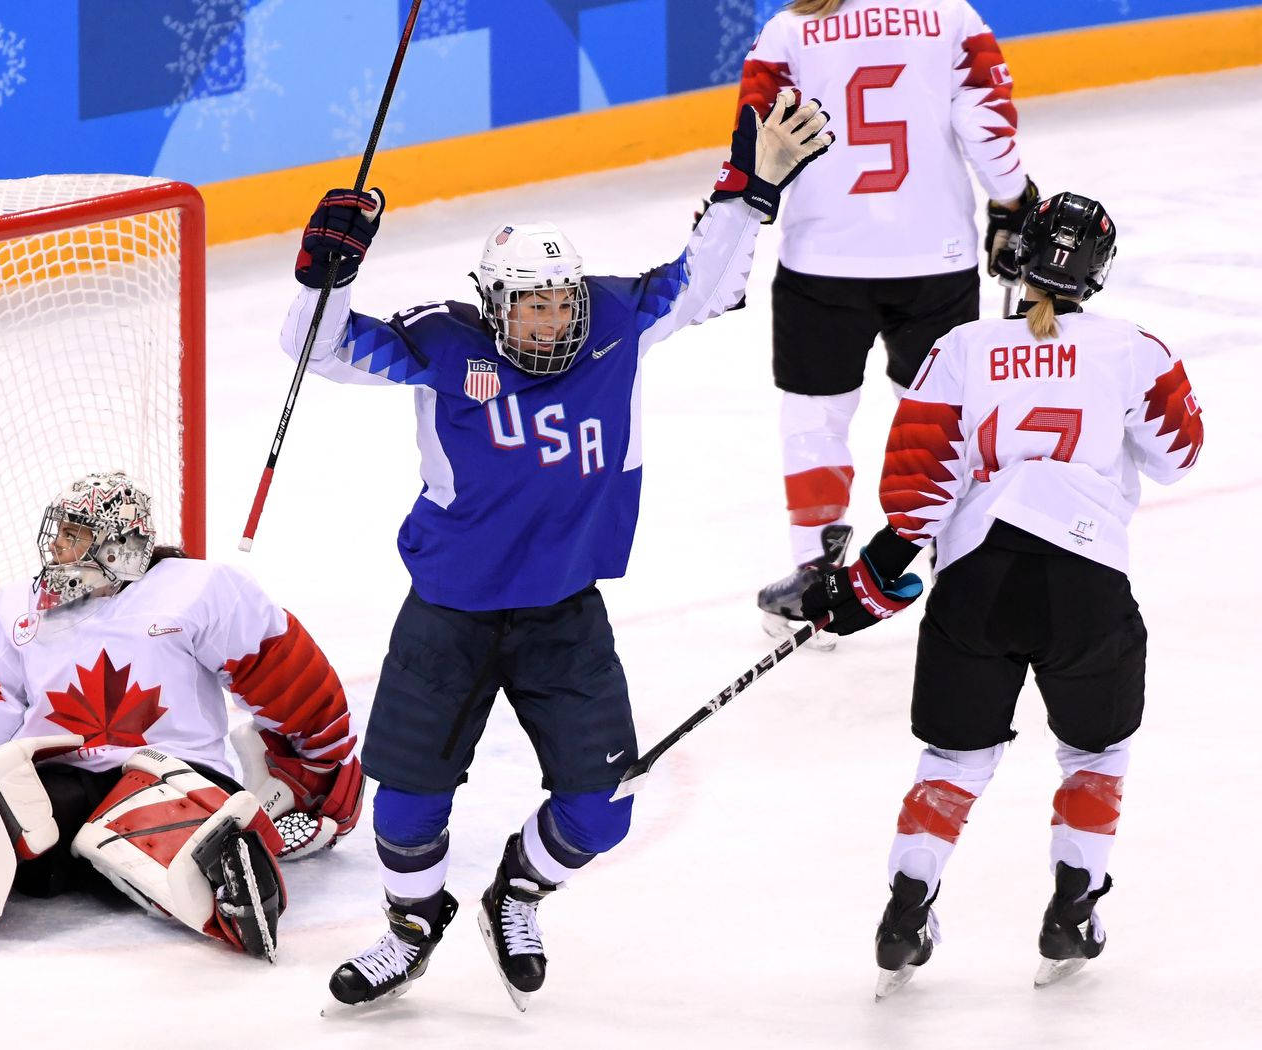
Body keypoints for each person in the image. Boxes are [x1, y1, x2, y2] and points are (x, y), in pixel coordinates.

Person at [282, 94, 833, 1009]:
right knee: (407, 803)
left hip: (563, 613)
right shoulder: (441, 343)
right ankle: (412, 931)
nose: (553, 322)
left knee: (602, 808)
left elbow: (706, 284)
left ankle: (519, 890)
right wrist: (322, 274)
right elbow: (319, 350)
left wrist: (756, 185)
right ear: (494, 305)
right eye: (533, 306)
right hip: (449, 612)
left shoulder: (615, 326)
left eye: (561, 303)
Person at [795, 192, 1203, 996]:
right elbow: (1179, 455)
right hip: (1088, 585)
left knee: (954, 757)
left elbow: (915, 494)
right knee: (1095, 753)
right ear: (1098, 272)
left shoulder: (961, 349)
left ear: (1017, 260)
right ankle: (1073, 906)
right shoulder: (1134, 350)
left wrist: (869, 585)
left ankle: (908, 906)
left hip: (976, 583)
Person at [0, 471, 363, 962]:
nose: (56, 546)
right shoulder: (22, 608)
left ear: (118, 549)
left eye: (74, 534)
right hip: (60, 787)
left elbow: (284, 675)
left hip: (174, 776)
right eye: (57, 531)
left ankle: (229, 882)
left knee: (165, 815)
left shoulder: (197, 590)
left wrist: (321, 765)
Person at [739, 0, 1039, 637]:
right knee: (943, 413)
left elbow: (756, 138)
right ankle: (960, 560)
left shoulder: (791, 27)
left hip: (822, 258)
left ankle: (814, 578)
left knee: (814, 417)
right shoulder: (951, 15)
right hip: (935, 257)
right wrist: (1012, 203)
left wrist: (738, 220)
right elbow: (985, 123)